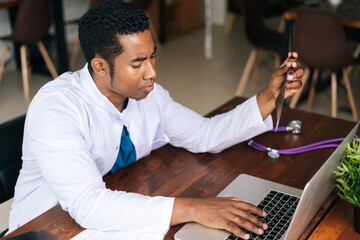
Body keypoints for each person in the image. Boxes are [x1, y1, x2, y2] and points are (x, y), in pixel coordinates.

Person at [8, 1, 303, 239]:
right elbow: (89, 205)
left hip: (115, 207)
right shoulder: (57, 108)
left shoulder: (150, 95)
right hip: (46, 226)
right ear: (99, 66)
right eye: (138, 63)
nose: (152, 72)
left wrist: (268, 97)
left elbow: (204, 135)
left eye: (152, 57)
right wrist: (197, 209)